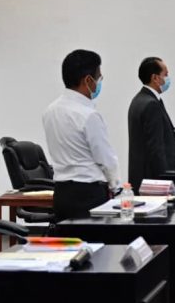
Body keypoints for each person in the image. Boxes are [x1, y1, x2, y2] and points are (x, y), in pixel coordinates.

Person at [43, 49, 120, 220]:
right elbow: (105, 158)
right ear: (88, 80)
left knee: (68, 237)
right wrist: (117, 188)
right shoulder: (89, 115)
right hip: (89, 194)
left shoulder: (50, 111)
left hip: (61, 193)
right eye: (99, 77)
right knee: (94, 239)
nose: (99, 82)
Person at [128, 57, 175, 189]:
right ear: (155, 78)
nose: (168, 78)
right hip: (153, 183)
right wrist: (165, 182)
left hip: (141, 179)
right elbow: (156, 149)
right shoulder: (151, 104)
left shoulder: (139, 100)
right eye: (165, 74)